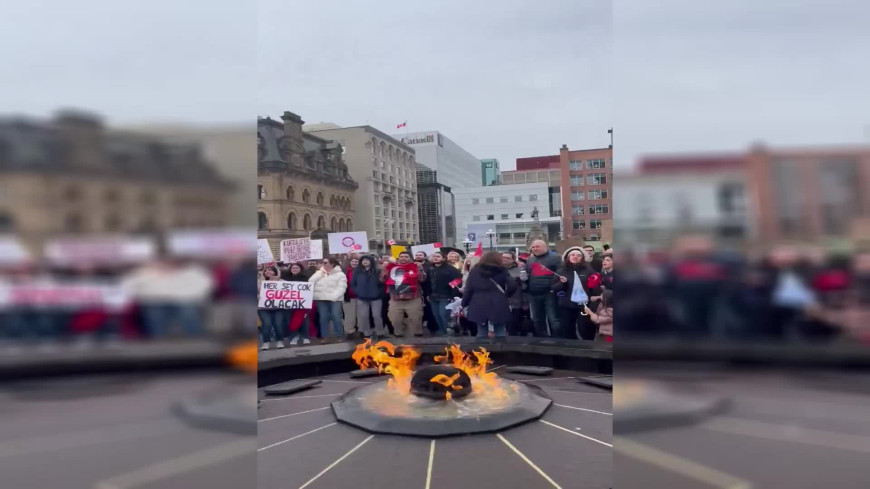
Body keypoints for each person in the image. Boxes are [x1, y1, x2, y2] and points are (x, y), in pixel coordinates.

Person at [462, 251, 517, 338]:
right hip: (498, 301)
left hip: (478, 302)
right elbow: (512, 285)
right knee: (500, 330)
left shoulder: (475, 271)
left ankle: (482, 350)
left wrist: (464, 303)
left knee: (481, 330)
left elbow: (469, 289)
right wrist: (506, 295)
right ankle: (500, 350)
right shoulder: (502, 270)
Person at [552, 246, 596, 340]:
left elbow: (594, 289)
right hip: (566, 306)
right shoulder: (561, 271)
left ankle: (588, 349)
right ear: (568, 257)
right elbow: (555, 288)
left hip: (584, 306)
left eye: (578, 255)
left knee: (585, 329)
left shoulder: (589, 271)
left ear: (583, 258)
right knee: (567, 330)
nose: (575, 257)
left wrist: (593, 305)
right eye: (572, 255)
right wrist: (562, 283)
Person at [381, 251, 427, 338]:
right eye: (401, 256)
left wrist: (420, 268)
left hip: (413, 298)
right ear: (398, 258)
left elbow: (422, 279)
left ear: (410, 258)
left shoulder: (415, 266)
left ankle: (417, 336)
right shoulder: (391, 267)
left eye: (406, 256)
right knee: (394, 320)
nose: (403, 258)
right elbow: (382, 279)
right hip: (396, 298)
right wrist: (384, 268)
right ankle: (399, 335)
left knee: (416, 319)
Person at [522, 239, 562, 337]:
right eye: (533, 247)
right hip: (534, 294)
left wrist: (554, 288)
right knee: (537, 319)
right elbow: (528, 274)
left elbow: (560, 274)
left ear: (545, 247)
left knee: (553, 319)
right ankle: (541, 340)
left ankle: (558, 340)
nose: (535, 249)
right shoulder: (530, 260)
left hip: (550, 293)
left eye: (537, 247)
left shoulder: (555, 258)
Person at [308, 257, 347, 342]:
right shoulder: (318, 273)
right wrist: (319, 275)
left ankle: (339, 335)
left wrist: (333, 297)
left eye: (327, 263)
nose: (325, 264)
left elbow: (342, 287)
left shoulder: (340, 274)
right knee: (323, 318)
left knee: (336, 317)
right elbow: (310, 282)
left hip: (335, 299)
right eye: (324, 263)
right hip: (321, 299)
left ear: (333, 264)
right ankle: (324, 336)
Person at [350, 255, 387, 339]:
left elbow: (382, 284)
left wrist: (378, 293)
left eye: (367, 260)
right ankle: (367, 332)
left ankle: (380, 332)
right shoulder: (357, 271)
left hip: (376, 297)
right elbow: (353, 284)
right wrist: (358, 292)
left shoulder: (377, 271)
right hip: (362, 297)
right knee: (363, 315)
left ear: (371, 261)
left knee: (376, 315)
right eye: (363, 260)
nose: (365, 261)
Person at [426, 251, 462, 336]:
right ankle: (443, 332)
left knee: (444, 315)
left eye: (438, 256)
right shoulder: (430, 269)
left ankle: (449, 331)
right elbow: (427, 282)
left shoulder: (450, 269)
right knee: (436, 315)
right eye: (434, 256)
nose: (435, 258)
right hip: (433, 296)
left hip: (446, 296)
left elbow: (457, 281)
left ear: (443, 258)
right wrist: (428, 293)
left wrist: (452, 295)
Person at [258, 265, 286, 350]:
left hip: (278, 308)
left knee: (278, 324)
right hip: (263, 308)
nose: (268, 272)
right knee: (267, 324)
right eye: (266, 270)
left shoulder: (282, 282)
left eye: (270, 270)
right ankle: (266, 342)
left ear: (275, 272)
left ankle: (279, 341)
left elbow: (289, 292)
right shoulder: (259, 282)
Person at [284, 262, 311, 345]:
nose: (295, 269)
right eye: (293, 268)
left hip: (302, 303)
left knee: (303, 320)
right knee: (290, 320)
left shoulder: (305, 278)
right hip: (289, 303)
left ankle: (305, 336)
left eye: (297, 268)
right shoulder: (285, 279)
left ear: (300, 269)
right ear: (290, 269)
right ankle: (293, 336)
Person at [502, 251, 529, 336]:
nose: (505, 259)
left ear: (513, 259)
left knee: (515, 324)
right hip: (501, 301)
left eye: (507, 258)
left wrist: (525, 302)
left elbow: (524, 287)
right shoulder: (497, 269)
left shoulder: (519, 269)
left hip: (516, 301)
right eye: (503, 257)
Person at [343, 257, 360, 339]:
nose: (354, 263)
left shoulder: (362, 271)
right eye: (353, 261)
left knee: (361, 315)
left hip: (361, 297)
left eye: (356, 261)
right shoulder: (345, 271)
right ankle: (349, 331)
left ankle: (362, 330)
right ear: (349, 263)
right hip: (349, 296)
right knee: (350, 315)